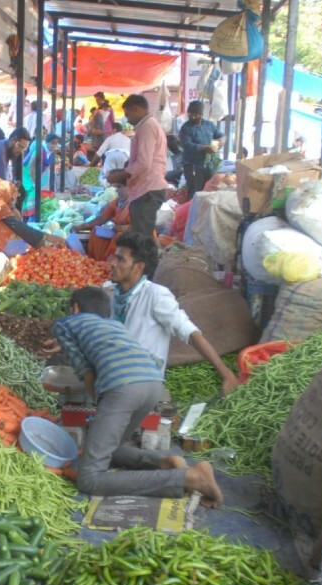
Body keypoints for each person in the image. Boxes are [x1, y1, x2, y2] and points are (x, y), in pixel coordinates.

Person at [51, 288, 222, 504]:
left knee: (89, 480)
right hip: (152, 385)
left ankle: (189, 478)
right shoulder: (115, 325)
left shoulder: (65, 323)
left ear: (75, 308)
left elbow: (84, 369)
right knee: (111, 449)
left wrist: (99, 404)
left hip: (124, 388)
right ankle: (166, 462)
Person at [99, 234, 239, 392]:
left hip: (141, 382)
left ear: (139, 267)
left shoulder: (155, 295)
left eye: (120, 260)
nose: (112, 264)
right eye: (114, 258)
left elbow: (191, 333)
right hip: (117, 377)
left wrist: (226, 374)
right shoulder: (117, 295)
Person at [107, 95, 170, 238]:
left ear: (136, 109)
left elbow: (143, 163)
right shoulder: (148, 125)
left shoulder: (147, 126)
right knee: (142, 235)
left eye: (128, 115)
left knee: (142, 238)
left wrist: (121, 175)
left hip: (148, 188)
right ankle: (146, 259)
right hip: (146, 188)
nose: (127, 120)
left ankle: (147, 260)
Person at [178, 101, 223, 198]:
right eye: (190, 115)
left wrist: (221, 141)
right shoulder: (186, 128)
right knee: (195, 192)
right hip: (193, 165)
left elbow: (221, 135)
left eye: (196, 115)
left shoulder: (209, 125)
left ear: (201, 115)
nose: (193, 117)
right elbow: (187, 145)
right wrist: (205, 147)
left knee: (209, 191)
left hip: (208, 164)